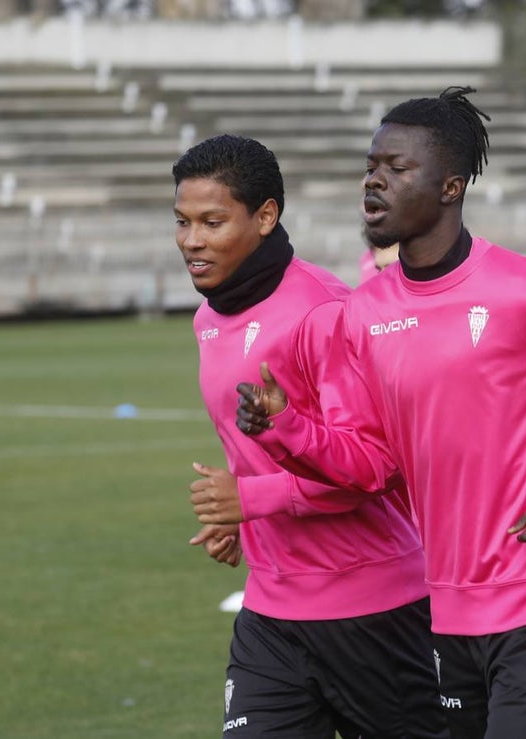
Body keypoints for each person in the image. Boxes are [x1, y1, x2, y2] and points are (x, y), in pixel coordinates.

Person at [211, 87, 526, 738]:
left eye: (398, 168)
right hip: (445, 608)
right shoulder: (363, 313)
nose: (374, 181)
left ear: (451, 187)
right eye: (371, 165)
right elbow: (371, 463)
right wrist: (287, 428)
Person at [174, 134, 446, 739]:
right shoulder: (208, 318)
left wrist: (253, 500)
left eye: (212, 222)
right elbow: (255, 442)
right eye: (183, 222)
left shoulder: (324, 312)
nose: (192, 241)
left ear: (265, 216)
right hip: (271, 612)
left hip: (373, 610)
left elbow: (377, 466)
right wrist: (236, 512)